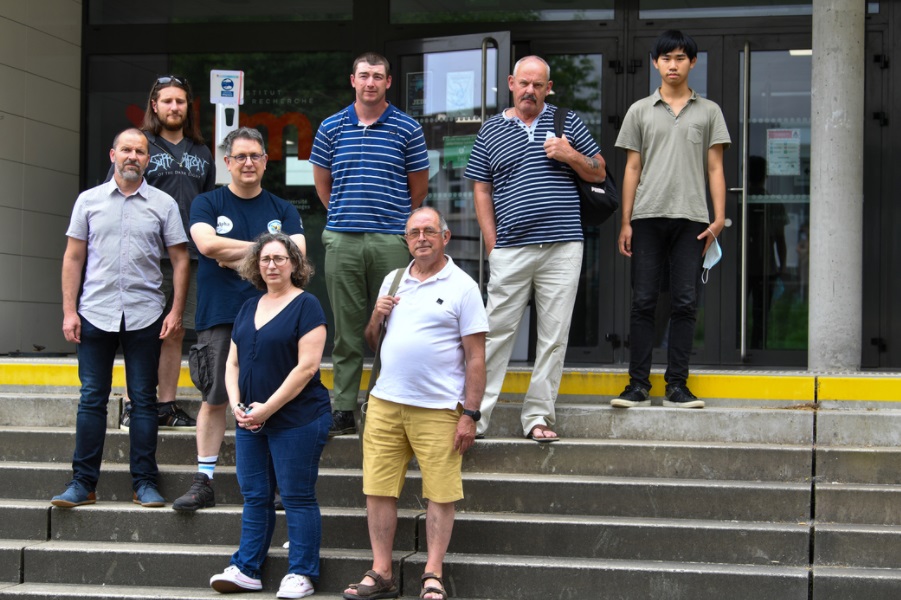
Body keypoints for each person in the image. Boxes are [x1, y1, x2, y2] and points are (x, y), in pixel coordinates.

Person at [342, 207, 487, 600]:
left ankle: (433, 573)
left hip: (440, 408)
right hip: (386, 403)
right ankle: (382, 571)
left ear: (445, 237)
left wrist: (470, 414)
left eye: (429, 231)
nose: (421, 238)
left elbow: (476, 357)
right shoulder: (393, 279)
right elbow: (375, 343)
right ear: (405, 240)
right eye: (413, 233)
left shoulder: (463, 286)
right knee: (378, 489)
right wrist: (376, 315)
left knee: (440, 492)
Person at [464, 55, 606, 442]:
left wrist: (570, 154)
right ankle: (476, 415)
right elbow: (481, 188)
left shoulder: (567, 122)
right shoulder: (491, 129)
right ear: (511, 83)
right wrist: (492, 244)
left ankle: (538, 417)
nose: (530, 90)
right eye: (524, 83)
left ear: (548, 87)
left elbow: (600, 170)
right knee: (494, 333)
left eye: (538, 85)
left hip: (562, 247)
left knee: (554, 336)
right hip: (510, 248)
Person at [52, 128, 189, 508]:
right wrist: (68, 311)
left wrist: (176, 311)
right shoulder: (89, 201)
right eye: (126, 149)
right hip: (94, 311)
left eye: (140, 151)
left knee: (145, 401)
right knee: (91, 398)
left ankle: (144, 483)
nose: (133, 156)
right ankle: (83, 484)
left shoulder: (163, 204)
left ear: (148, 159)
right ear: (113, 154)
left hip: (145, 314)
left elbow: (179, 259)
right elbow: (73, 257)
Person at [172, 127, 306, 512]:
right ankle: (204, 480)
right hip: (221, 314)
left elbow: (298, 255)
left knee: (273, 398)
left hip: (276, 315)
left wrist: (239, 256)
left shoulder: (283, 209)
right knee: (215, 397)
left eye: (256, 156)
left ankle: (277, 481)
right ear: (226, 163)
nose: (249, 163)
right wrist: (270, 253)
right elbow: (207, 245)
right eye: (241, 157)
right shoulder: (207, 203)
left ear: (266, 162)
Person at [310, 51, 430, 438]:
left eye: (378, 75)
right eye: (364, 75)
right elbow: (323, 184)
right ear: (353, 80)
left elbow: (419, 187)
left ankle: (386, 402)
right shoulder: (330, 127)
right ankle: (343, 408)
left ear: (389, 82)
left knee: (393, 326)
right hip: (343, 238)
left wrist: (397, 226)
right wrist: (346, 216)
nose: (371, 82)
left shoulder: (408, 128)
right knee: (346, 331)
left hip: (391, 240)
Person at [611, 30, 731, 410]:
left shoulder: (709, 111)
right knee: (643, 301)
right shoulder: (639, 110)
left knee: (684, 302)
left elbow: (715, 168)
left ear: (692, 62)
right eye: (666, 58)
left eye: (680, 58)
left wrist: (719, 218)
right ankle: (637, 386)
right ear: (655, 63)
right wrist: (625, 222)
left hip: (693, 219)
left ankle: (677, 385)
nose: (673, 65)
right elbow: (632, 168)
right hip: (646, 216)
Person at [209, 233, 330, 599]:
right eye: (265, 259)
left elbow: (306, 368)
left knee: (296, 495)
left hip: (299, 418)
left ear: (294, 263)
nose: (272, 265)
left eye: (279, 258)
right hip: (251, 418)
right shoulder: (248, 306)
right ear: (256, 266)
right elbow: (232, 361)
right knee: (255, 495)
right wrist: (235, 404)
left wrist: (267, 408)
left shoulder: (307, 305)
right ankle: (247, 568)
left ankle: (302, 572)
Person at [115, 75, 216, 432]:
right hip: (145, 255)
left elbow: (207, 202)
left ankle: (166, 405)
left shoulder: (202, 152)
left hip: (189, 256)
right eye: (167, 101)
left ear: (188, 108)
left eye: (181, 102)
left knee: (174, 331)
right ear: (154, 105)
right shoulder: (141, 147)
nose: (174, 107)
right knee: (140, 332)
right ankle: (132, 405)